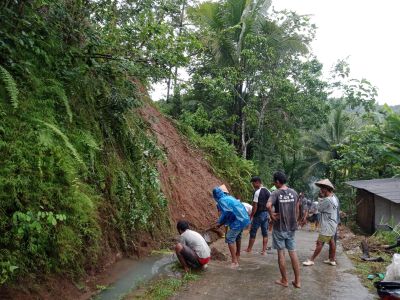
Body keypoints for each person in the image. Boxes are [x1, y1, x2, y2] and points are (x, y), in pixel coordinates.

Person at [267, 171, 301, 288]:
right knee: (293, 252)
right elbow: (297, 209)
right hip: (291, 228)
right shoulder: (294, 192)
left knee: (281, 253)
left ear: (277, 182)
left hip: (279, 228)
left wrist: (271, 215)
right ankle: (297, 281)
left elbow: (268, 205)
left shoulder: (276, 193)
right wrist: (295, 221)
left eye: (274, 181)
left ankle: (284, 280)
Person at [303, 179, 338, 267]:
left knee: (320, 242)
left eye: (322, 188)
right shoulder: (334, 197)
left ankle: (311, 260)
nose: (320, 190)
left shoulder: (327, 200)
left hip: (327, 225)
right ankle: (332, 259)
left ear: (326, 189)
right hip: (333, 223)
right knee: (331, 241)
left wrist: (320, 197)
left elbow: (319, 208)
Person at [213, 186, 250, 268]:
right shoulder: (228, 197)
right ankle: (238, 254)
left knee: (229, 238)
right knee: (238, 237)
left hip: (238, 220)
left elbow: (227, 213)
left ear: (215, 196)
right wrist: (219, 222)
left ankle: (234, 262)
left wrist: (220, 223)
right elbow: (227, 212)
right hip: (243, 218)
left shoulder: (221, 201)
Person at [246, 176, 271, 255]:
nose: (252, 185)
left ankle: (249, 249)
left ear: (257, 182)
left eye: (253, 183)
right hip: (266, 214)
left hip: (258, 214)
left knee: (253, 232)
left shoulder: (257, 192)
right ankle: (263, 251)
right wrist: (270, 215)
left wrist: (252, 215)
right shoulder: (268, 191)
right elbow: (270, 204)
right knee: (265, 233)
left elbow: (255, 206)